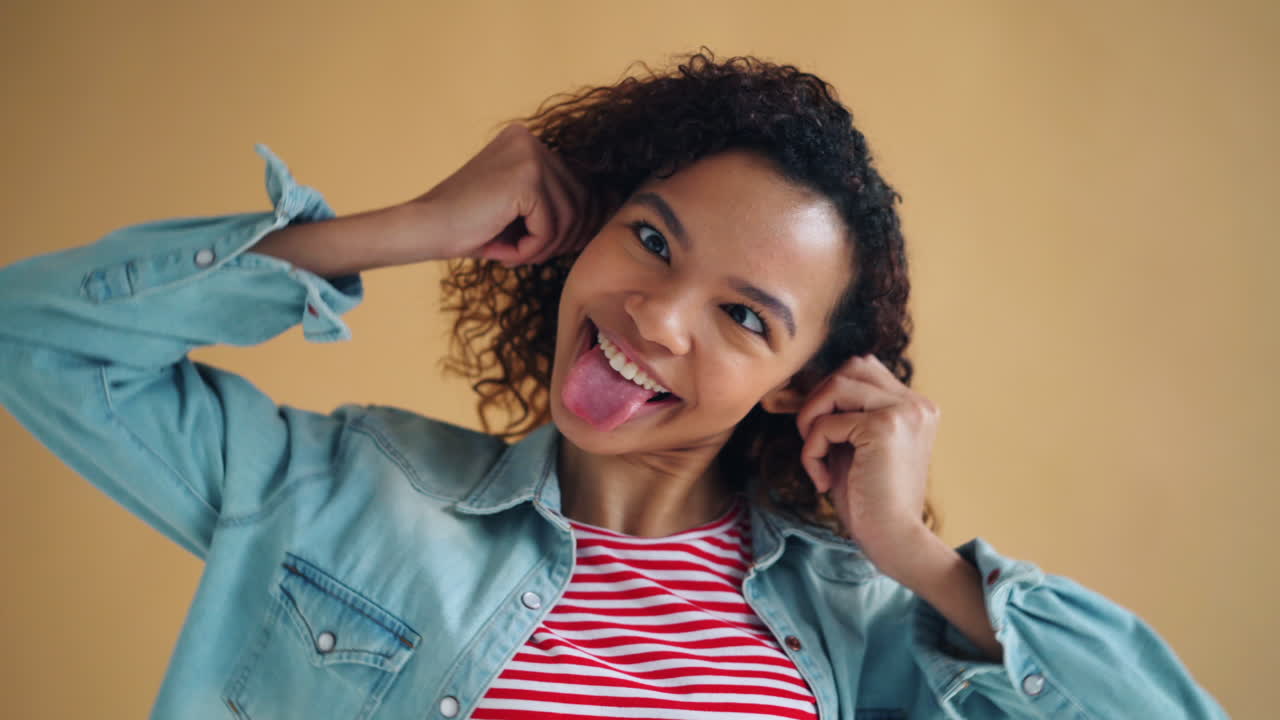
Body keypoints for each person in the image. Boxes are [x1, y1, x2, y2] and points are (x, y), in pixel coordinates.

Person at [0, 50, 1226, 720]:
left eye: (743, 317)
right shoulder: (333, 493)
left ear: (804, 387)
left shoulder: (868, 628)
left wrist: (913, 553)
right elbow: (35, 337)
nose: (654, 316)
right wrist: (409, 225)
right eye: (648, 237)